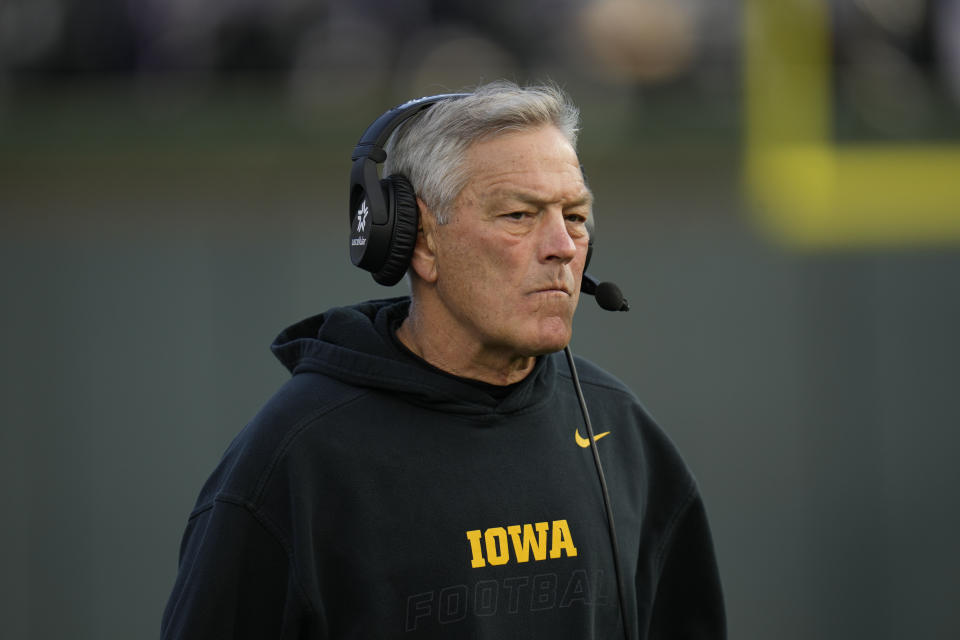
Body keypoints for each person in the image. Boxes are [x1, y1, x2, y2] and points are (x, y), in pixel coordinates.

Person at [161, 81, 726, 639]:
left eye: (575, 216)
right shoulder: (294, 459)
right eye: (519, 216)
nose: (562, 246)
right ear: (420, 241)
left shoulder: (620, 433)